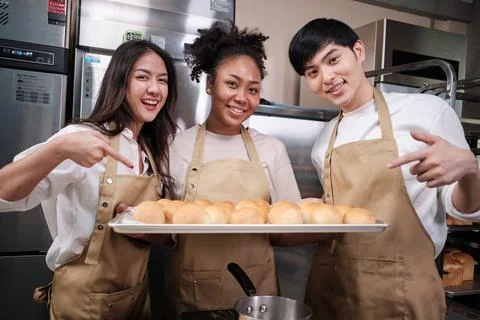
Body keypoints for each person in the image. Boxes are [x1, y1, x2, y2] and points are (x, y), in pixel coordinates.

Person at [288, 18, 480, 319]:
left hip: (402, 292)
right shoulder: (324, 140)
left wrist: (471, 169)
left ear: (359, 51)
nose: (327, 77)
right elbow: (350, 211)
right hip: (335, 287)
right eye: (313, 72)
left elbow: (466, 210)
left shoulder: (426, 112)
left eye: (334, 59)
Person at [0, 39, 178, 319]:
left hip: (136, 298)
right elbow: (4, 194)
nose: (155, 89)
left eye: (163, 80)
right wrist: (58, 149)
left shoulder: (151, 149)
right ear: (119, 82)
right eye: (142, 77)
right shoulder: (82, 138)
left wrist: (146, 231)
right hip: (84, 303)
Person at [166, 21, 310, 317]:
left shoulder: (272, 148)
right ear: (209, 84)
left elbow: (288, 230)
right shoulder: (177, 145)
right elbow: (166, 230)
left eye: (253, 89)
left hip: (257, 298)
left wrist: (326, 231)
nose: (242, 98)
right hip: (194, 295)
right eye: (232, 84)